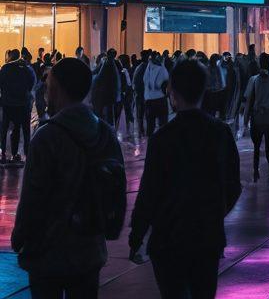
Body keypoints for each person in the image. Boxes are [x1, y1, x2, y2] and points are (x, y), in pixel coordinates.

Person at [11, 56, 125, 299]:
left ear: (57, 89)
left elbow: (33, 195)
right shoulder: (105, 134)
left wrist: (20, 236)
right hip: (89, 246)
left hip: (47, 248)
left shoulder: (47, 137)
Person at [129, 58, 242, 299]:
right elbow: (234, 185)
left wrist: (136, 234)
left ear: (173, 93)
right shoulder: (220, 133)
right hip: (207, 236)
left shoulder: (162, 138)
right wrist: (215, 211)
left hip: (168, 238)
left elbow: (149, 192)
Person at [244, 52, 269, 184]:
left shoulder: (254, 80)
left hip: (257, 117)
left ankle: (256, 171)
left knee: (256, 147)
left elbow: (249, 100)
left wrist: (246, 119)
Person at [0, 48, 37, 164]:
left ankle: (3, 154)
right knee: (24, 129)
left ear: (10, 56)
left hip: (8, 103)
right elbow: (32, 83)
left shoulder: (5, 68)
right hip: (23, 103)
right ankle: (25, 154)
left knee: (4, 129)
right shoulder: (26, 68)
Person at [143, 52, 169, 136]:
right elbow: (160, 84)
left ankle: (150, 144)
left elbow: (145, 81)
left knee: (150, 125)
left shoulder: (148, 69)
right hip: (160, 100)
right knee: (163, 125)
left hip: (149, 100)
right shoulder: (161, 69)